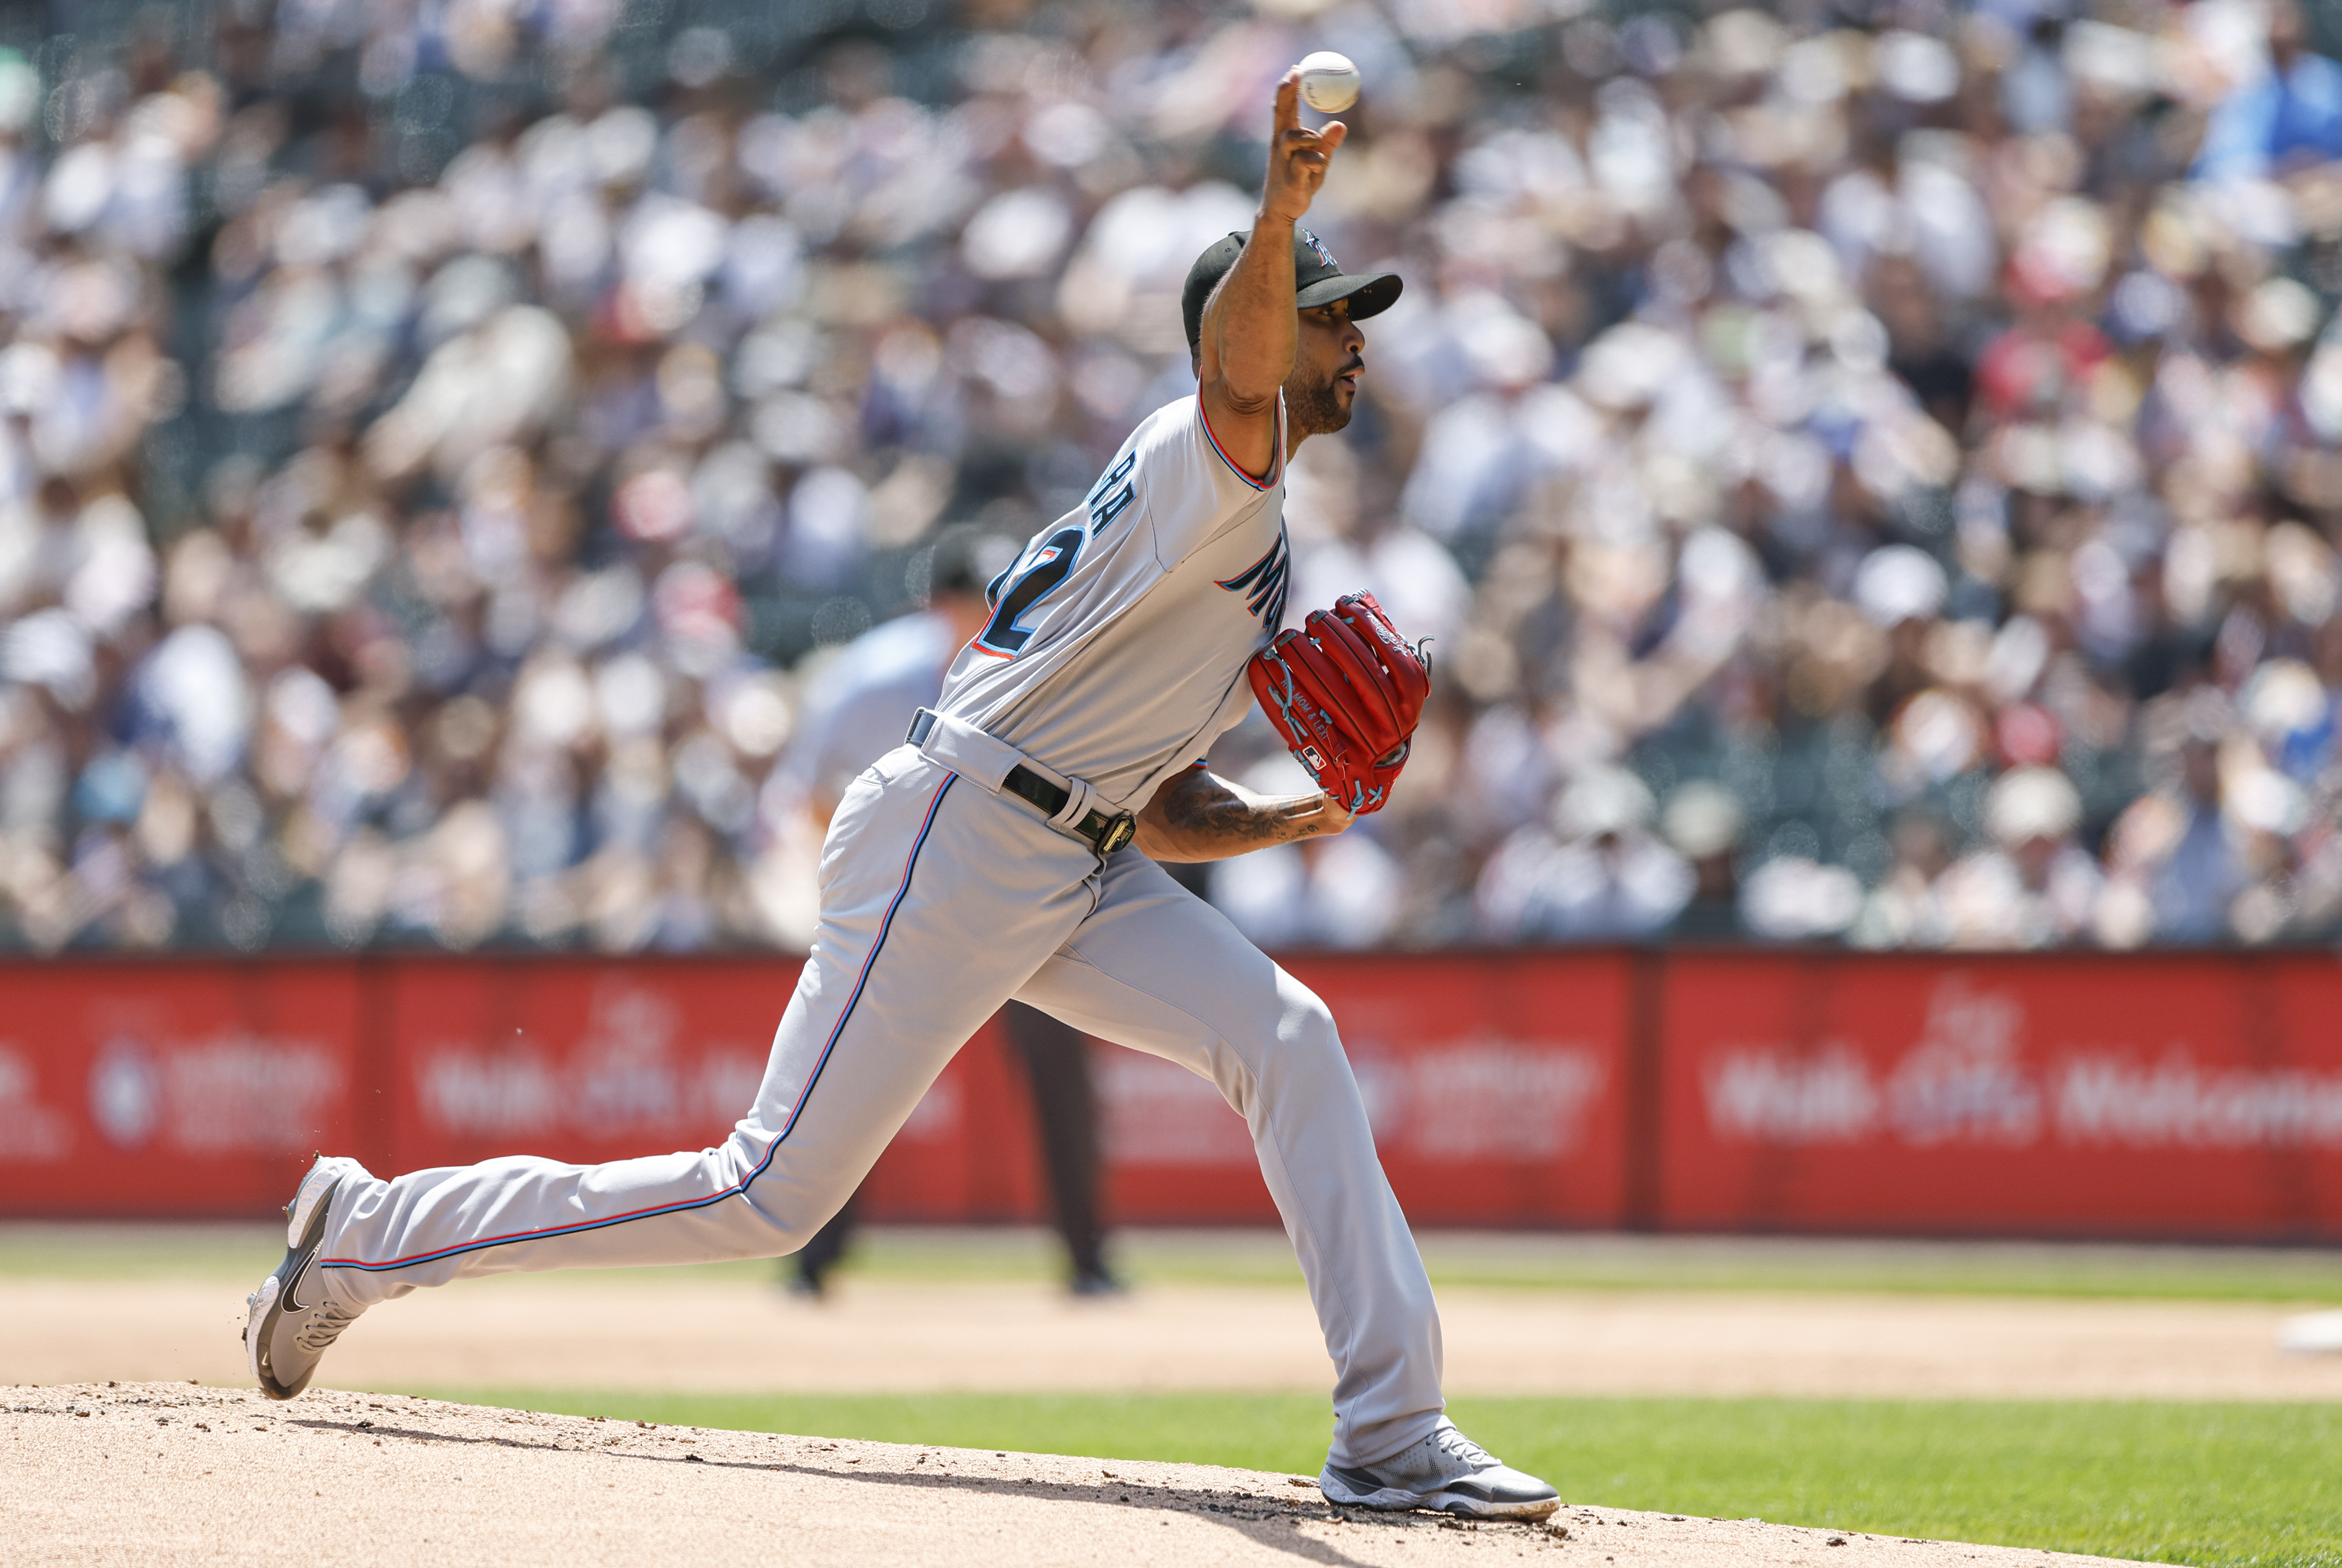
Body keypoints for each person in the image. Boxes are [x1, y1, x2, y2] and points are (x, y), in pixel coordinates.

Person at [242, 72, 1561, 1522]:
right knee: (764, 1196)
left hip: (1078, 848)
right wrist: (1277, 207)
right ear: (1245, 327)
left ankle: (1390, 1427)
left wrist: (1282, 821)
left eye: (1351, 314)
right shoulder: (1211, 456)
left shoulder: (1235, 522)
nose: (1351, 336)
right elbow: (1237, 369)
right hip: (963, 826)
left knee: (1286, 1033)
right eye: (1329, 311)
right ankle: (363, 1236)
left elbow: (1159, 797)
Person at [769, 528, 1123, 1297]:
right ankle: (812, 1258)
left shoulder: (1043, 666)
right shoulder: (874, 678)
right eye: (986, 600)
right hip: (903, 900)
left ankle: (1090, 1260)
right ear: (942, 605)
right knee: (858, 1074)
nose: (1002, 613)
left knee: (1061, 1067)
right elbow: (812, 793)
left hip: (1015, 902)